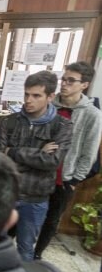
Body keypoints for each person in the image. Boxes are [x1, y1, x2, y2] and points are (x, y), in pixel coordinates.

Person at [0, 70, 72, 261]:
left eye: (36, 95)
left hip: (35, 199)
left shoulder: (62, 126)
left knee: (26, 249)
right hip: (7, 194)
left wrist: (12, 151)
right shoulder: (9, 122)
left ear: (50, 97)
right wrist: (38, 154)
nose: (29, 100)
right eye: (27, 94)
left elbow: (51, 162)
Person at [34, 61, 102, 259]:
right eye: (63, 79)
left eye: (71, 81)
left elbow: (88, 152)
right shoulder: (49, 105)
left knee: (51, 219)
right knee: (26, 212)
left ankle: (36, 255)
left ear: (85, 85)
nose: (64, 84)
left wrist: (73, 181)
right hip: (38, 172)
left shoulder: (92, 114)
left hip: (63, 178)